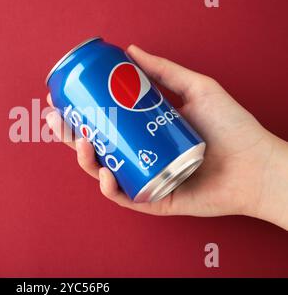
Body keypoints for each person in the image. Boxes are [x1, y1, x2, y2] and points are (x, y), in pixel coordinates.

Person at [45, 44, 288, 231]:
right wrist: (261, 183)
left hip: (180, 154)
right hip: (170, 162)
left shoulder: (100, 56)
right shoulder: (68, 83)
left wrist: (262, 178)